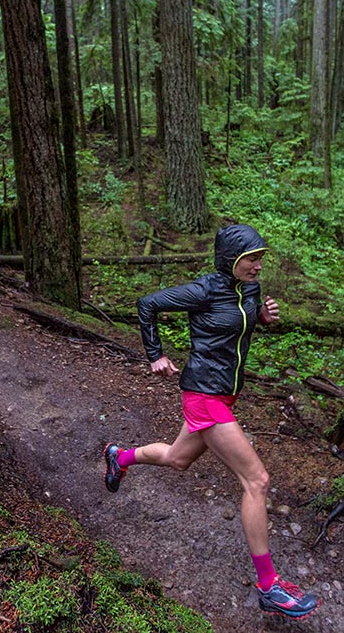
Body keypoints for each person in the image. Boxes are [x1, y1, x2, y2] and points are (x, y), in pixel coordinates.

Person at [102, 223, 319, 619]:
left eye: (260, 258)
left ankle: (120, 457)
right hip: (203, 395)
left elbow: (240, 320)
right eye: (251, 259)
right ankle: (269, 586)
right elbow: (147, 303)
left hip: (222, 395)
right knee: (257, 481)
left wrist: (262, 317)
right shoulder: (204, 290)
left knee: (176, 459)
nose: (258, 265)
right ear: (231, 260)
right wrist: (155, 354)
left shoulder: (247, 290)